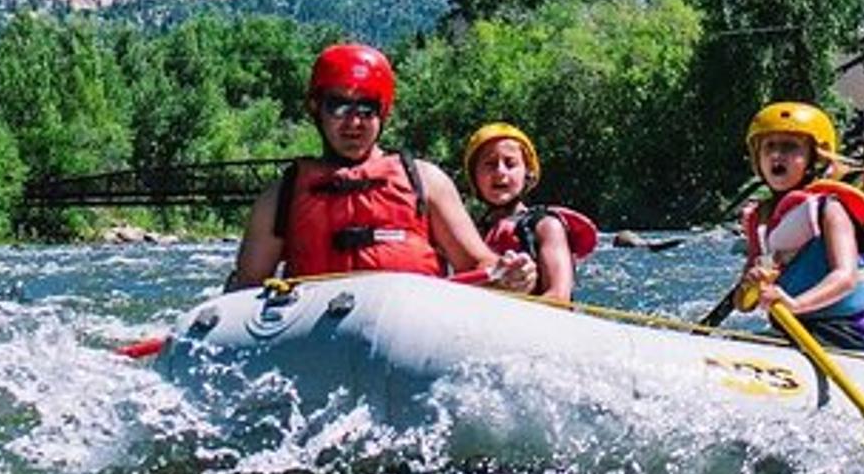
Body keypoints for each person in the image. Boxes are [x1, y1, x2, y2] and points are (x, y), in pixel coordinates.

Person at [228, 44, 536, 292]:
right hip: (315, 338)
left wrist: (510, 275)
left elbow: (478, 264)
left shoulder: (427, 182)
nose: (354, 123)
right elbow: (246, 290)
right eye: (338, 106)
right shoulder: (281, 196)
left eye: (367, 109)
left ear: (382, 113)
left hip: (411, 334)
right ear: (315, 109)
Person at [740, 102, 864, 349]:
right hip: (790, 328)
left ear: (814, 159)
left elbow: (845, 278)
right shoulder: (758, 218)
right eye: (769, 146)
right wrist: (751, 283)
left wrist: (796, 305)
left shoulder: (830, 208)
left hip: (841, 330)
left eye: (790, 147)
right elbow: (745, 303)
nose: (776, 155)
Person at [461, 122, 598, 303]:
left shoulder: (546, 226)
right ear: (474, 176)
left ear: (528, 174)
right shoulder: (469, 234)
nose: (500, 172)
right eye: (490, 164)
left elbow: (559, 297)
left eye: (510, 164)